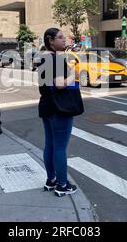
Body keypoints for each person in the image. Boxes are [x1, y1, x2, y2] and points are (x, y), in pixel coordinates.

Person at [38, 28, 84, 197]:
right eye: (60, 37)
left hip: (47, 106)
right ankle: (62, 185)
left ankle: (51, 181)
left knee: (49, 146)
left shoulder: (43, 58)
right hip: (60, 108)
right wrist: (74, 74)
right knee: (59, 148)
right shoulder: (55, 59)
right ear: (50, 40)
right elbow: (59, 84)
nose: (64, 40)